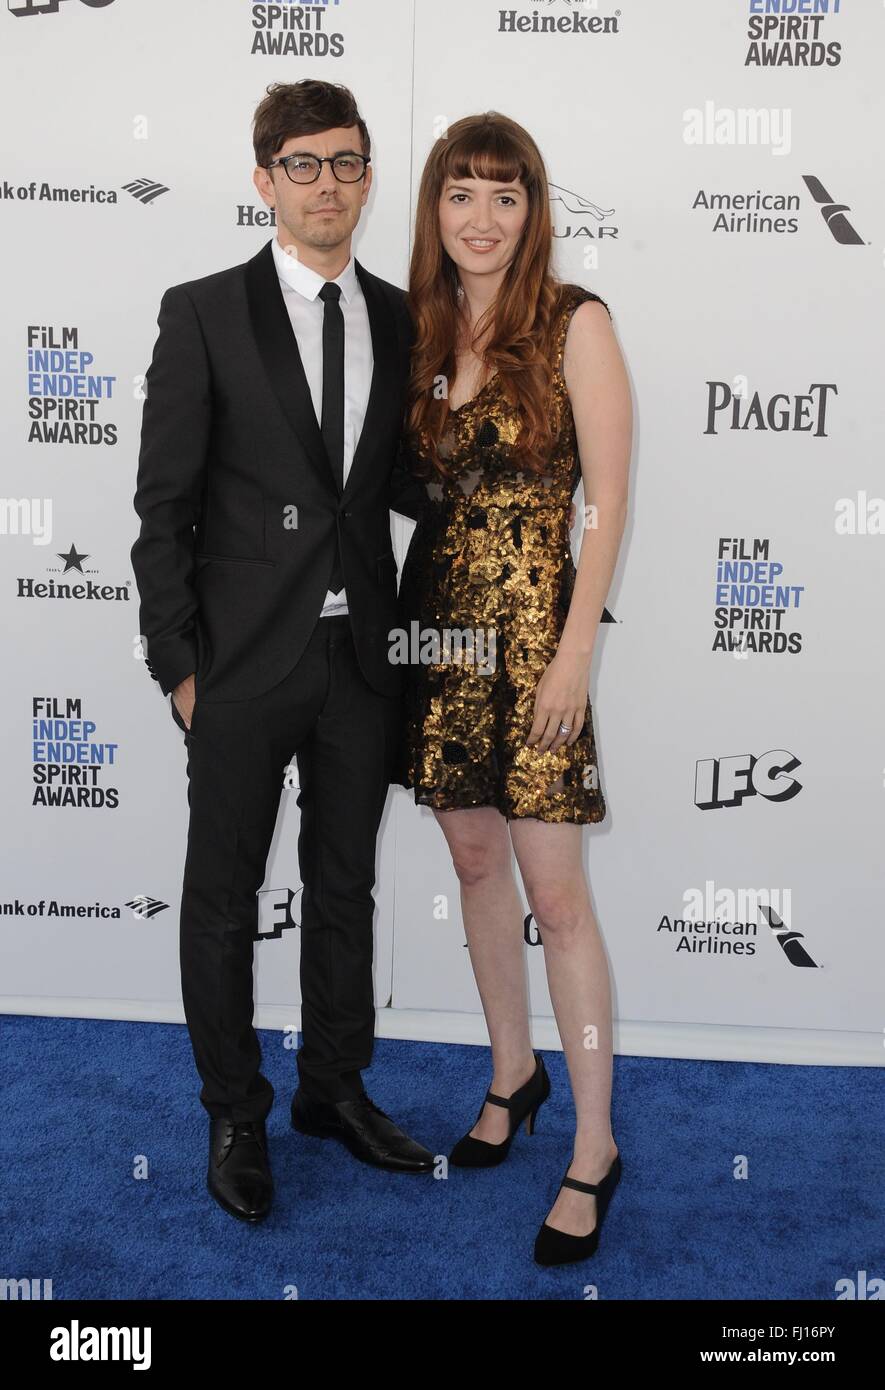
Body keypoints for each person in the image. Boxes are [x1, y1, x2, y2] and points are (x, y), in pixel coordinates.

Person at [130, 78, 432, 1224]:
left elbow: (390, 486)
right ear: (265, 180)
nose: (325, 185)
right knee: (223, 898)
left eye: (345, 162)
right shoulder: (202, 310)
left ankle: (331, 1090)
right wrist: (181, 667)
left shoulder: (403, 318)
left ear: (367, 174)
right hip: (242, 667)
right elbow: (164, 508)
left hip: (363, 660)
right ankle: (235, 1111)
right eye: (301, 164)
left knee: (345, 884)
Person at [394, 112, 632, 1264]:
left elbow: (610, 507)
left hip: (540, 642)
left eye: (504, 195)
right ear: (433, 210)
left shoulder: (575, 322)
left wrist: (577, 650)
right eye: (460, 194)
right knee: (475, 862)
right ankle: (511, 1072)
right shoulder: (423, 328)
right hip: (442, 640)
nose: (481, 218)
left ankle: (593, 1145)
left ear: (533, 211)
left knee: (559, 894)